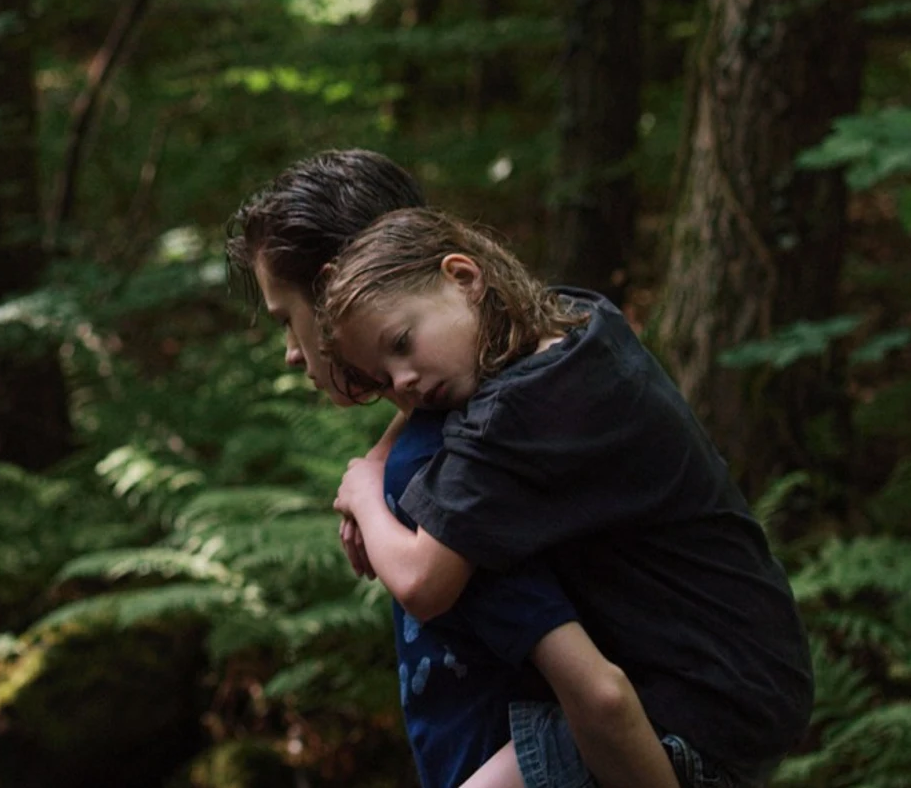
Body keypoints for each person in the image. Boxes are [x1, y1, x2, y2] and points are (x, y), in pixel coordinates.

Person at [227, 150, 679, 788]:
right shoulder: (535, 375)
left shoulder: (457, 471)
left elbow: (589, 688)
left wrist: (374, 490)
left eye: (286, 320)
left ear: (336, 292)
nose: (290, 354)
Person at [318, 207, 814, 788]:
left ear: (465, 277)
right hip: (760, 665)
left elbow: (423, 584)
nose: (402, 384)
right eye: (383, 377)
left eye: (402, 343)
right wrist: (381, 454)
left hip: (700, 700)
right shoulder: (578, 325)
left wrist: (365, 494)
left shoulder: (517, 417)